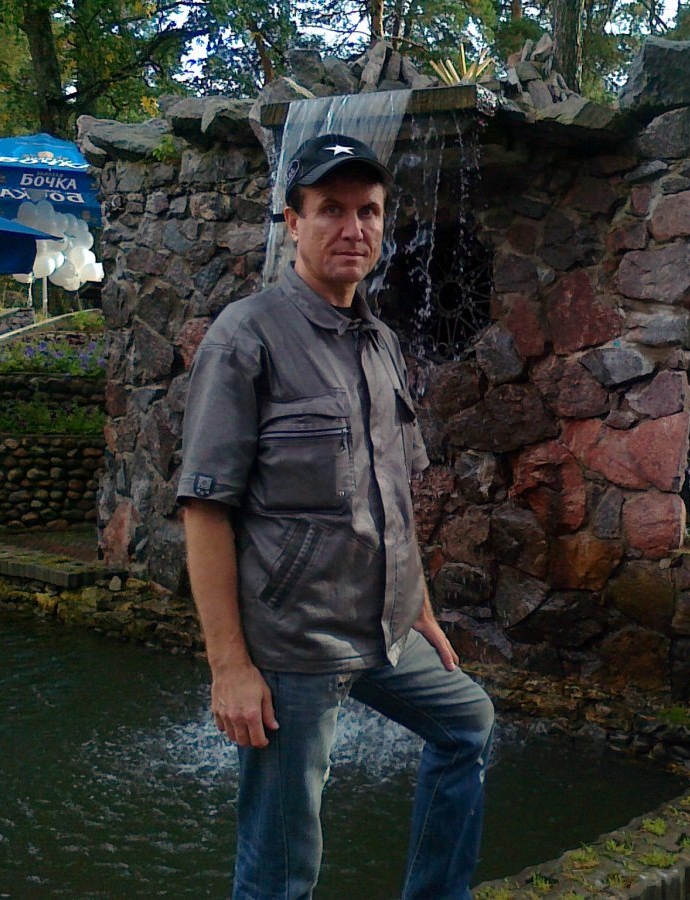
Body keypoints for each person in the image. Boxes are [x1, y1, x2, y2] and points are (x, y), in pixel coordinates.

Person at [176, 133, 494, 900]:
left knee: (467, 725)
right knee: (282, 869)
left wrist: (418, 605)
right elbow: (205, 510)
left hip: (382, 629)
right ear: (293, 222)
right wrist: (230, 668)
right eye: (330, 210)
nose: (353, 228)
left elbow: (392, 492)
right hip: (295, 648)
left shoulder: (379, 341)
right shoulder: (245, 337)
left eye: (369, 212)